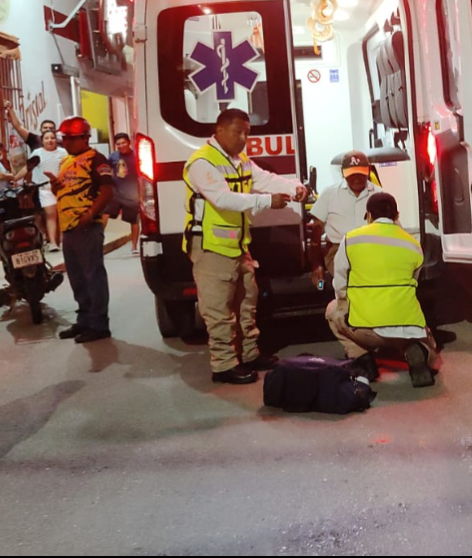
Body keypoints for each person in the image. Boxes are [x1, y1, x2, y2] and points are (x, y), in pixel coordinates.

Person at [183, 108, 307, 385]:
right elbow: (223, 199)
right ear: (219, 131)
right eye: (237, 132)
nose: (243, 138)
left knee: (246, 303)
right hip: (212, 248)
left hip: (237, 247)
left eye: (247, 133)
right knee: (218, 310)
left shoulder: (239, 160)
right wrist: (266, 202)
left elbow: (264, 179)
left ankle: (249, 354)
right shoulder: (202, 162)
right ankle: (224, 366)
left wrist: (293, 187)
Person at [324, 192, 442, 388]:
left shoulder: (351, 240)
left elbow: (340, 282)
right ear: (397, 216)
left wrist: (345, 304)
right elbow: (413, 282)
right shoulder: (413, 244)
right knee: (412, 333)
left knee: (331, 310)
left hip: (366, 326)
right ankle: (417, 349)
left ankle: (363, 361)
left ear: (368, 215)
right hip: (408, 324)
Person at [45, 117, 115, 344]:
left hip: (86, 227)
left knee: (93, 275)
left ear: (86, 138)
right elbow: (66, 192)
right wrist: (56, 187)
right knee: (77, 277)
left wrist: (90, 214)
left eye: (72, 139)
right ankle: (84, 319)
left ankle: (99, 324)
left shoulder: (96, 159)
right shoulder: (66, 161)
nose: (67, 143)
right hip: (69, 228)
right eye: (64, 138)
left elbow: (106, 191)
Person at [308, 151, 379, 290]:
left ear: (369, 170)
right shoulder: (329, 194)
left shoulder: (379, 195)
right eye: (351, 174)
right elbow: (315, 235)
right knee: (355, 276)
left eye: (360, 173)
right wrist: (317, 266)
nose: (356, 179)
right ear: (342, 173)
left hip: (370, 248)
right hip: (337, 249)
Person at [31, 130, 68, 250]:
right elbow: (28, 168)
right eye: (46, 138)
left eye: (52, 138)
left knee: (63, 216)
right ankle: (53, 243)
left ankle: (63, 241)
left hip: (62, 188)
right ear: (42, 140)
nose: (50, 140)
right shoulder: (37, 153)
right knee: (50, 215)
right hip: (45, 189)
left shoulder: (63, 153)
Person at [107, 133, 141, 255]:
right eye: (118, 144)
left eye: (123, 143)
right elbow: (106, 169)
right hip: (115, 191)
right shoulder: (113, 156)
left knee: (134, 221)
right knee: (104, 215)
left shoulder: (136, 156)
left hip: (131, 193)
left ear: (129, 142)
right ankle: (98, 243)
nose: (121, 145)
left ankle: (134, 246)